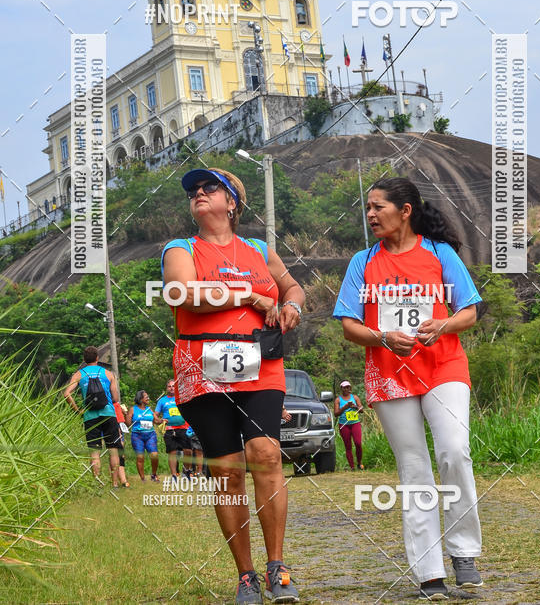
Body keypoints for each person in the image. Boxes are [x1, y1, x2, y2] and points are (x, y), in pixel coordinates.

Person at [333, 178, 484, 601]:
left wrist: (444, 324)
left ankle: (464, 553)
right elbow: (349, 325)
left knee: (454, 451)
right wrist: (382, 338)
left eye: (378, 207)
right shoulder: (363, 262)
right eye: (367, 208)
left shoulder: (440, 254)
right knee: (414, 468)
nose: (370, 215)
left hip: (444, 365)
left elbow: (469, 312)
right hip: (389, 373)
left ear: (405, 211)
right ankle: (429, 572)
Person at [162, 167, 303, 604]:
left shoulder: (259, 249)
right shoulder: (180, 248)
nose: (199, 194)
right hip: (201, 364)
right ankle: (245, 575)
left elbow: (293, 287)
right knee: (226, 471)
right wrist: (247, 295)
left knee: (265, 453)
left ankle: (277, 564)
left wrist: (292, 305)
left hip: (260, 362)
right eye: (194, 192)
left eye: (210, 189)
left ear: (233, 203)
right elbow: (181, 295)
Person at [64, 345, 123, 486]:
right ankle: (114, 484)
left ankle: (97, 484)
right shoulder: (108, 374)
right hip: (109, 414)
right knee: (113, 450)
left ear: (84, 359)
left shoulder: (79, 374)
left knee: (95, 453)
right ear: (97, 358)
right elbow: (115, 398)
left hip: (90, 417)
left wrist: (78, 410)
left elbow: (66, 394)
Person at [155, 379, 193, 482]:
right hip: (169, 429)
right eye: (169, 386)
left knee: (188, 450)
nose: (172, 388)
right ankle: (174, 476)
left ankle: (186, 471)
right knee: (172, 452)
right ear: (167, 388)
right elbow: (155, 415)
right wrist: (160, 420)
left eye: (173, 386)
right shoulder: (162, 401)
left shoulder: (182, 398)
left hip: (183, 428)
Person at [126, 390, 159, 482]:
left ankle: (154, 474)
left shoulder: (149, 409)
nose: (148, 398)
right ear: (140, 399)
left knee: (154, 455)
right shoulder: (133, 409)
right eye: (146, 397)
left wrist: (162, 420)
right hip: (137, 436)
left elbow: (156, 421)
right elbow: (128, 424)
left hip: (150, 435)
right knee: (140, 457)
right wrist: (127, 415)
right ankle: (142, 478)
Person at [334, 380, 364, 470]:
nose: (346, 389)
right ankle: (352, 467)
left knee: (358, 443)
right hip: (344, 424)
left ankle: (359, 463)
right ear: (341, 389)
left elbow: (361, 410)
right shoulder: (338, 400)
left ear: (350, 388)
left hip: (355, 423)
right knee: (348, 446)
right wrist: (345, 407)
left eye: (348, 387)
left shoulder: (355, 397)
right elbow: (336, 413)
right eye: (344, 387)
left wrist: (354, 407)